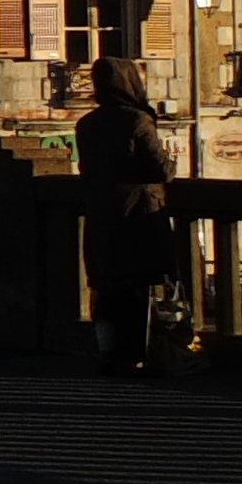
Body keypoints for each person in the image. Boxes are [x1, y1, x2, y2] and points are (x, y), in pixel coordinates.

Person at [76, 55, 178, 374]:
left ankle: (109, 352)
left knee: (106, 288)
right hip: (137, 216)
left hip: (102, 216)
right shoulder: (137, 120)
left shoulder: (87, 124)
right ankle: (138, 352)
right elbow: (160, 169)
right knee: (138, 288)